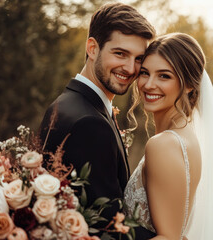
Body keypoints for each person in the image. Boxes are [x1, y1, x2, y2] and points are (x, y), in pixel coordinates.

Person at [124, 33, 213, 240]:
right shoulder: (187, 136)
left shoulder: (163, 144)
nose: (149, 84)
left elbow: (168, 238)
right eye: (145, 72)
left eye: (164, 76)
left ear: (189, 84)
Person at [39, 2, 156, 239]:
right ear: (92, 48)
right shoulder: (88, 123)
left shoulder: (69, 104)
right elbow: (108, 227)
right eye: (120, 54)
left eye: (138, 58)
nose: (130, 68)